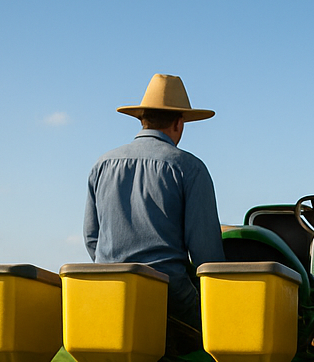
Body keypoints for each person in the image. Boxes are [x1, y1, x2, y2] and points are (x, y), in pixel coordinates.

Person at [84, 74, 225, 343]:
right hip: (170, 295)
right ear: (179, 123)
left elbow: (92, 238)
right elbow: (206, 254)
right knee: (227, 325)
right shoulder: (189, 168)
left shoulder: (102, 165)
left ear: (142, 120)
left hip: (110, 292)